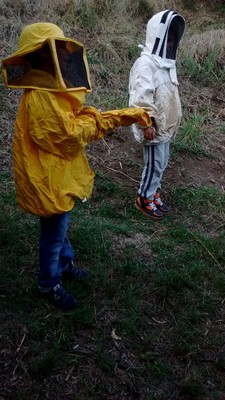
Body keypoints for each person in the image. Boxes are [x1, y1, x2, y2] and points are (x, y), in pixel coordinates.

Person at [2, 22, 152, 310]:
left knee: (61, 222)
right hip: (46, 176)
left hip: (57, 172)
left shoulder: (50, 87)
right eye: (52, 49)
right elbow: (67, 135)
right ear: (39, 54)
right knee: (54, 228)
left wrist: (101, 117)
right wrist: (106, 118)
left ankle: (65, 263)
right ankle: (49, 283)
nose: (59, 55)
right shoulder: (40, 94)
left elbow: (71, 122)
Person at [129, 10, 185, 220]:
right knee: (153, 163)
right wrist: (146, 124)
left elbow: (168, 95)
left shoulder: (167, 63)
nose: (170, 44)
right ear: (157, 36)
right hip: (153, 127)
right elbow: (141, 98)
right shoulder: (146, 63)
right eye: (167, 39)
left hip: (165, 125)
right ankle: (144, 198)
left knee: (161, 163)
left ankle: (154, 193)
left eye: (173, 39)